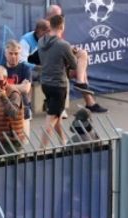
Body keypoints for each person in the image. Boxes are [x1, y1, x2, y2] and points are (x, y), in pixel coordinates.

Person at [38, 14, 76, 146]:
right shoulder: (63, 45)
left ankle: (63, 142)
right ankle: (41, 150)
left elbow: (50, 58)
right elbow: (74, 65)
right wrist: (72, 53)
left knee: (56, 115)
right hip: (58, 85)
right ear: (62, 26)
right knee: (51, 119)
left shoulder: (41, 41)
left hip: (45, 84)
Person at [0, 65, 26, 155]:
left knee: (12, 167)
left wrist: (4, 97)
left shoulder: (13, 93)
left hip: (10, 140)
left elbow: (14, 114)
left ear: (5, 78)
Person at [2, 40, 33, 135]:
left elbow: (26, 89)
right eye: (10, 53)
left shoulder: (25, 68)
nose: (13, 56)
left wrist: (6, 86)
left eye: (16, 53)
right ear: (5, 53)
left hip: (23, 111)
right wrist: (20, 86)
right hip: (5, 112)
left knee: (22, 143)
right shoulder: (0, 69)